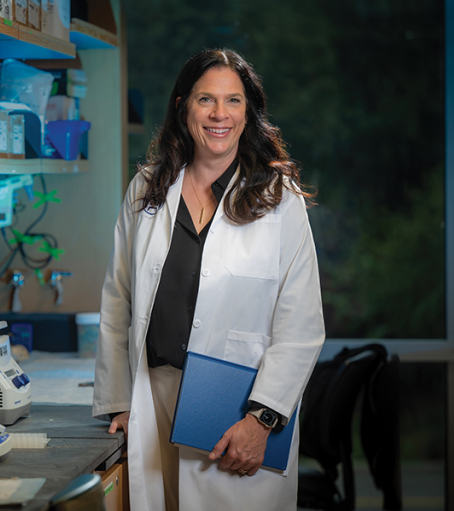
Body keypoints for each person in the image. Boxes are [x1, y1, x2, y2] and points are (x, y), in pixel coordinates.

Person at [93, 48, 325, 511]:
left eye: (234, 101)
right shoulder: (147, 188)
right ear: (183, 107)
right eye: (206, 100)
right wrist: (119, 399)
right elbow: (118, 299)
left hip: (234, 408)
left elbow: (301, 328)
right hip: (153, 398)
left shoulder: (281, 201)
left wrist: (262, 420)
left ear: (249, 112)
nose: (220, 114)